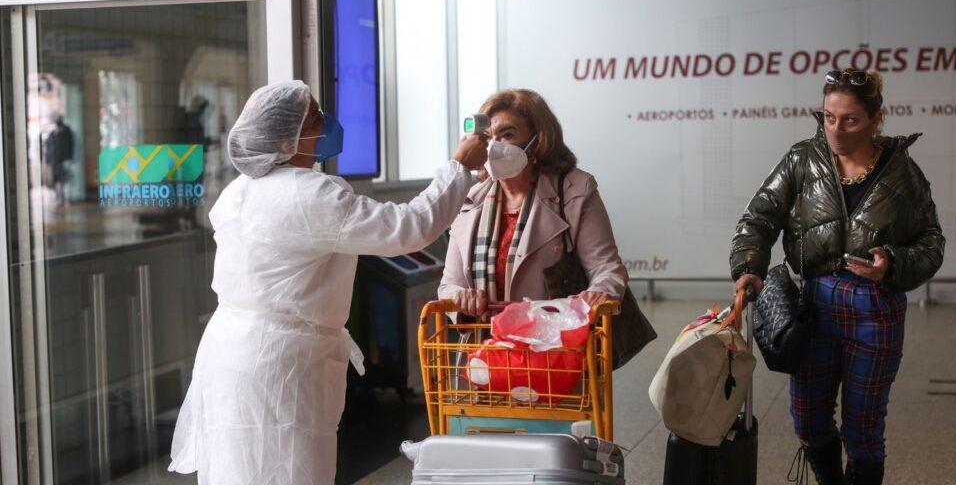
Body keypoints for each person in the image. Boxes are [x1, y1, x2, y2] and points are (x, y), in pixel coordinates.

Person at [167, 80, 487, 484]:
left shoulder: (238, 191)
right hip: (281, 365)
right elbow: (409, 228)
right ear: (287, 141)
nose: (328, 125)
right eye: (316, 119)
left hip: (230, 353)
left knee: (239, 468)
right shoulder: (310, 195)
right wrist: (458, 167)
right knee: (288, 469)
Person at [729, 69, 944, 485]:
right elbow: (758, 218)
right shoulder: (802, 159)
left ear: (876, 118)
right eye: (829, 117)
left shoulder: (903, 173)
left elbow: (932, 242)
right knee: (808, 421)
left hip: (875, 310)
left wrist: (892, 264)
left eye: (850, 120)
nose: (836, 129)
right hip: (815, 306)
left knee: (863, 429)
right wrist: (749, 267)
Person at [439, 89, 627, 317]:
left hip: (554, 345)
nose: (494, 146)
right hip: (485, 347)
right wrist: (460, 296)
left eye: (507, 135)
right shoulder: (469, 201)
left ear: (538, 142)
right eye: (488, 138)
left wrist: (599, 293)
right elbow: (448, 285)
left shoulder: (575, 192)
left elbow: (606, 268)